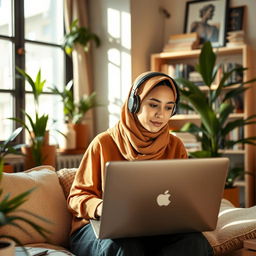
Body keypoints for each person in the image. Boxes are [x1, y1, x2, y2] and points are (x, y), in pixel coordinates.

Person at [67, 71, 213, 256]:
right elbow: (76, 197)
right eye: (153, 105)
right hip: (97, 227)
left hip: (156, 227)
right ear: (134, 103)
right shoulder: (103, 143)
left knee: (195, 242)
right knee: (126, 247)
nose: (161, 114)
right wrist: (101, 207)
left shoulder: (175, 145)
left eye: (169, 107)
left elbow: (181, 196)